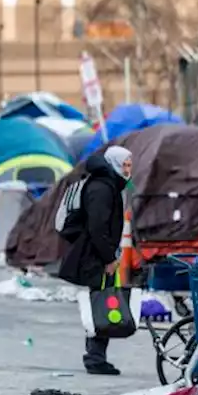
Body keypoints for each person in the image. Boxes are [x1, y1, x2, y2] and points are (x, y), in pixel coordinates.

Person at [57, 147, 132, 375]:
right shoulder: (102, 188)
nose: (129, 169)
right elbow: (97, 227)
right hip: (96, 255)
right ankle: (95, 357)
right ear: (113, 164)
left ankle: (96, 355)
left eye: (130, 164)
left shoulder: (109, 185)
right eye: (125, 164)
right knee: (102, 302)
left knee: (102, 301)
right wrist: (109, 258)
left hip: (98, 253)